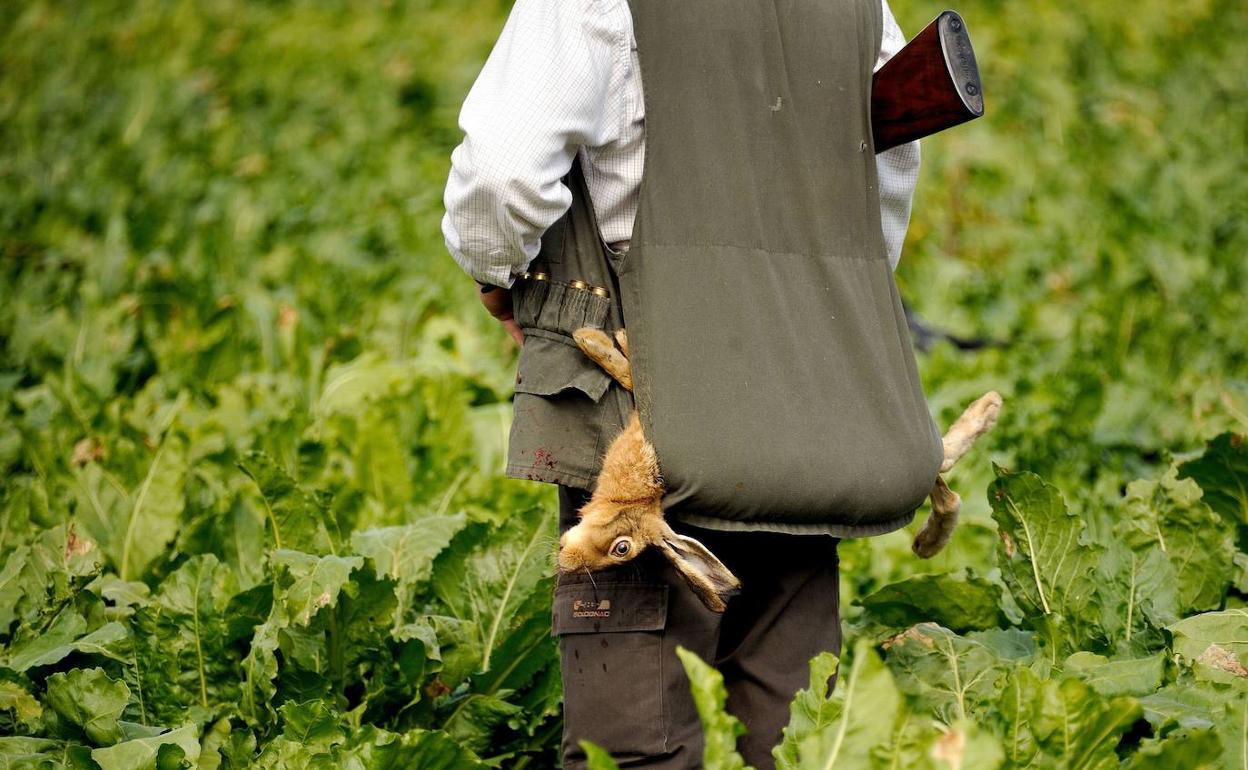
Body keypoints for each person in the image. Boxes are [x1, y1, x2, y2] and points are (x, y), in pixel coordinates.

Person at [442, 1, 928, 768]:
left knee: (635, 745)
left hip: (640, 405)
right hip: (803, 393)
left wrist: (497, 271)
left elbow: (504, 172)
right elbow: (888, 168)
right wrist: (817, 312)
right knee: (791, 732)